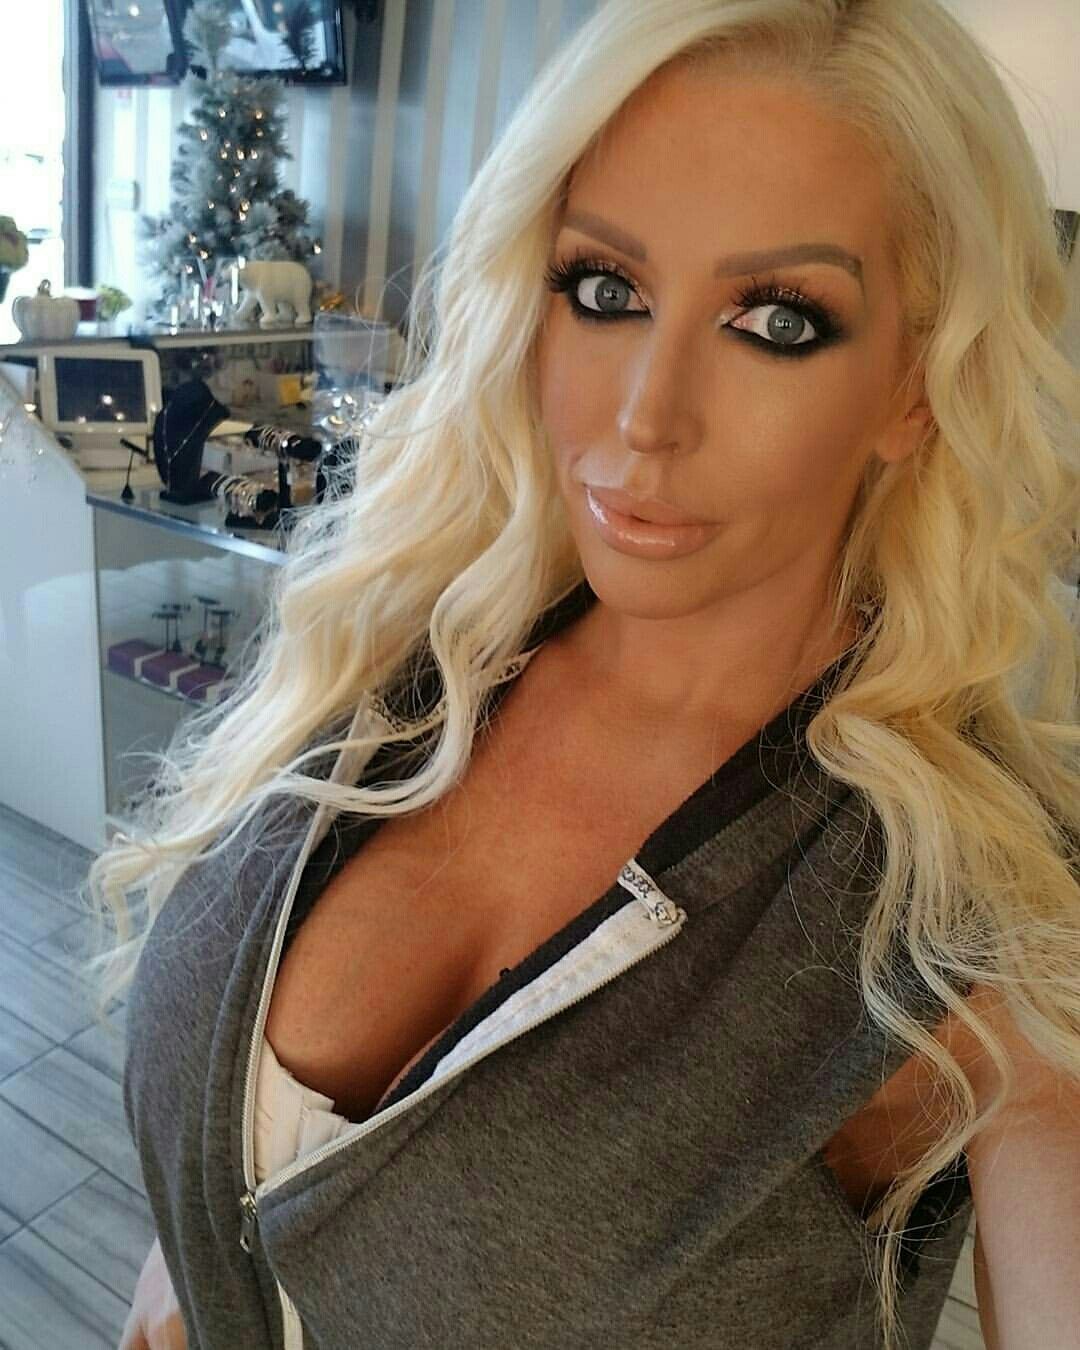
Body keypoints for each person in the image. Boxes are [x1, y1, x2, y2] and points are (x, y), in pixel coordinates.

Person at [89, 0, 1080, 1347]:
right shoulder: (410, 645)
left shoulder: (979, 913)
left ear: (917, 384)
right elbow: (260, 1154)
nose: (644, 415)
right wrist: (199, 1238)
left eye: (778, 321)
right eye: (606, 291)